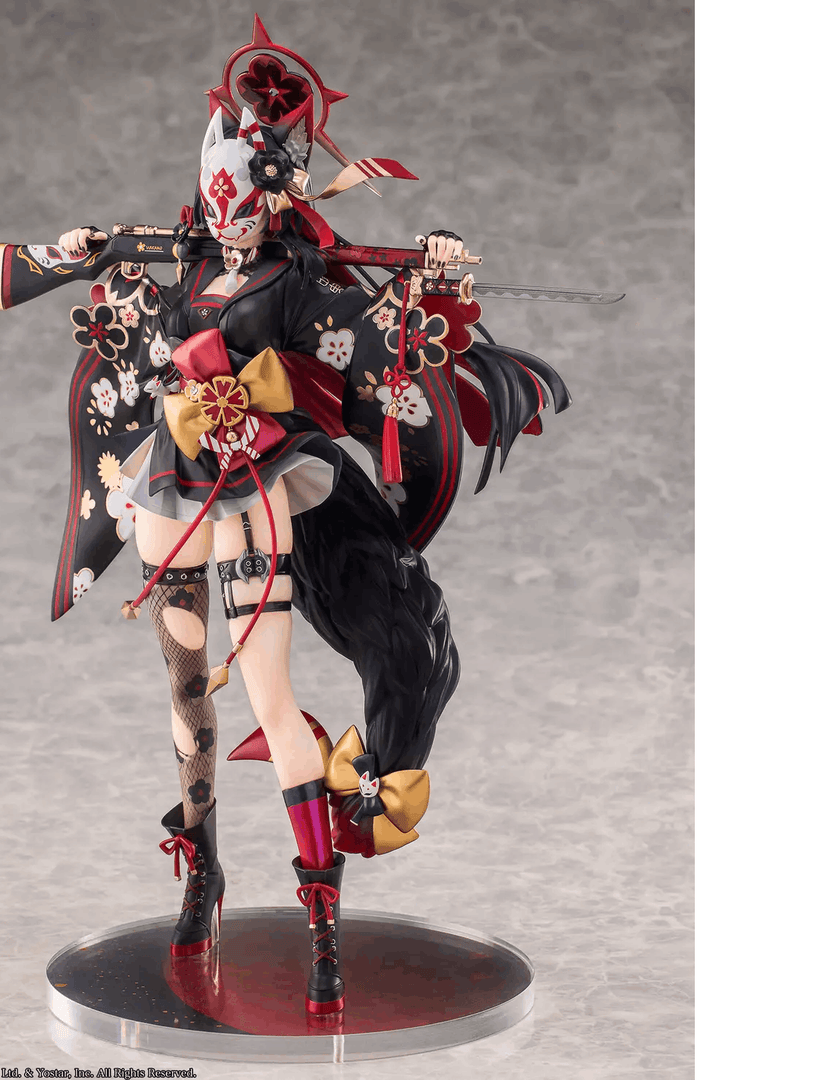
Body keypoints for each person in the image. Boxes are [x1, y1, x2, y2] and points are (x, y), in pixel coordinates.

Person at [44, 16, 570, 1016]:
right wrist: (84, 256)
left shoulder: (294, 286)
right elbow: (145, 331)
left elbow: (372, 342)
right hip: (171, 481)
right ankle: (203, 868)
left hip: (251, 483)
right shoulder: (191, 264)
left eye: (247, 203)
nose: (231, 220)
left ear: (277, 197)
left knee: (270, 698)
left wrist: (432, 275)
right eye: (219, 202)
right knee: (187, 695)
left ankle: (321, 910)